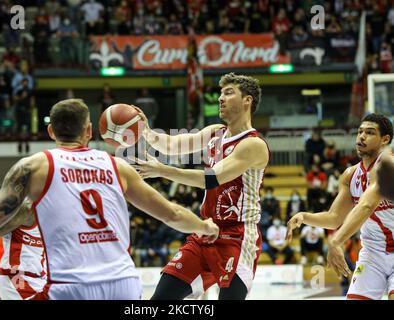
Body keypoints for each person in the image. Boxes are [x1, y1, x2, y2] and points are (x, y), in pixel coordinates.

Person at [0, 99, 218, 300]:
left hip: (71, 286)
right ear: (89, 131)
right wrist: (205, 227)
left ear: (51, 132)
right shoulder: (117, 166)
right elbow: (171, 214)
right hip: (122, 283)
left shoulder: (32, 168)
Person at [134, 73, 269, 300]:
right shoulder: (214, 132)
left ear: (248, 100)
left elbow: (212, 177)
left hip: (237, 236)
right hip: (206, 230)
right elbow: (170, 146)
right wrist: (146, 131)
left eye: (228, 93)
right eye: (220, 93)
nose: (220, 98)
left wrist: (162, 171)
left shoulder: (253, 144)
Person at [287, 114, 394, 300]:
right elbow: (334, 218)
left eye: (370, 133)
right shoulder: (349, 175)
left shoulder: (388, 164)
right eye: (360, 131)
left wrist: (336, 241)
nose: (361, 137)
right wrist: (305, 217)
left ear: (385, 139)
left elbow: (367, 205)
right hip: (373, 254)